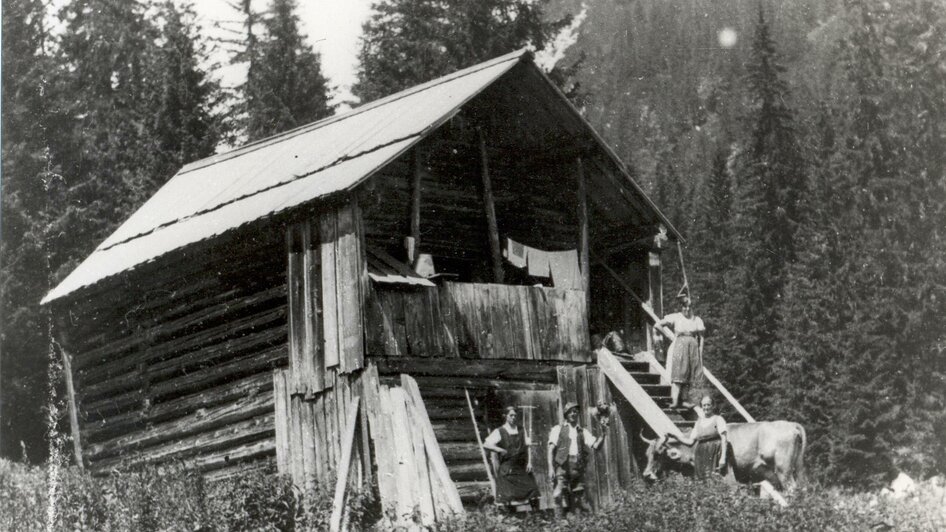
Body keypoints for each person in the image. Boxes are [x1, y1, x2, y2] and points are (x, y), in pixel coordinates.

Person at [547, 402, 608, 516]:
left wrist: (603, 433)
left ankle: (576, 523)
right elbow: (550, 449)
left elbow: (596, 446)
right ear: (566, 414)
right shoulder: (558, 429)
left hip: (577, 467)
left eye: (575, 411)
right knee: (557, 494)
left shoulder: (582, 431)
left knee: (577, 497)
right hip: (562, 466)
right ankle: (559, 523)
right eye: (570, 411)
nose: (573, 414)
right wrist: (550, 468)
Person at [482, 406, 540, 511]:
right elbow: (486, 444)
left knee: (533, 490)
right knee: (508, 496)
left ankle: (537, 517)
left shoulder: (522, 429)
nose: (513, 417)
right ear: (505, 416)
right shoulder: (500, 431)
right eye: (511, 415)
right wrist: (499, 450)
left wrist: (530, 462)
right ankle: (510, 520)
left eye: (515, 415)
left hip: (521, 467)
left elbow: (528, 447)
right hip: (507, 468)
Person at [655, 293, 705, 409]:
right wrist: (671, 337)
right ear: (681, 307)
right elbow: (657, 325)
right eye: (684, 306)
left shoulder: (697, 320)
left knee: (689, 373)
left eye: (689, 307)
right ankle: (675, 401)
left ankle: (684, 400)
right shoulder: (676, 317)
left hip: (692, 347)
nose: (687, 309)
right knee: (679, 372)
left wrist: (700, 351)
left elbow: (702, 337)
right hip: (679, 345)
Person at [665, 395, 730, 480]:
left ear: (713, 406)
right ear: (701, 407)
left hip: (715, 452)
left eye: (708, 405)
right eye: (704, 405)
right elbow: (690, 442)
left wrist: (723, 458)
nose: (706, 407)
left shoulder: (718, 419)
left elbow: (724, 439)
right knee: (702, 478)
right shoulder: (698, 422)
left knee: (714, 478)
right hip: (701, 453)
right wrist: (676, 437)